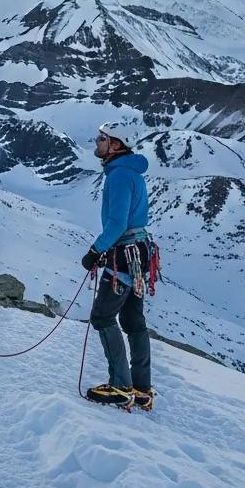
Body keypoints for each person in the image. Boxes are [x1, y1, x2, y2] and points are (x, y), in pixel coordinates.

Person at [81, 121, 154, 410]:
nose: (97, 142)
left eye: (102, 138)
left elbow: (117, 222)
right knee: (134, 320)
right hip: (139, 251)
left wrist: (95, 250)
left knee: (102, 316)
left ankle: (121, 386)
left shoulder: (120, 176)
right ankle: (141, 387)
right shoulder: (130, 172)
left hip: (124, 253)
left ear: (117, 145)